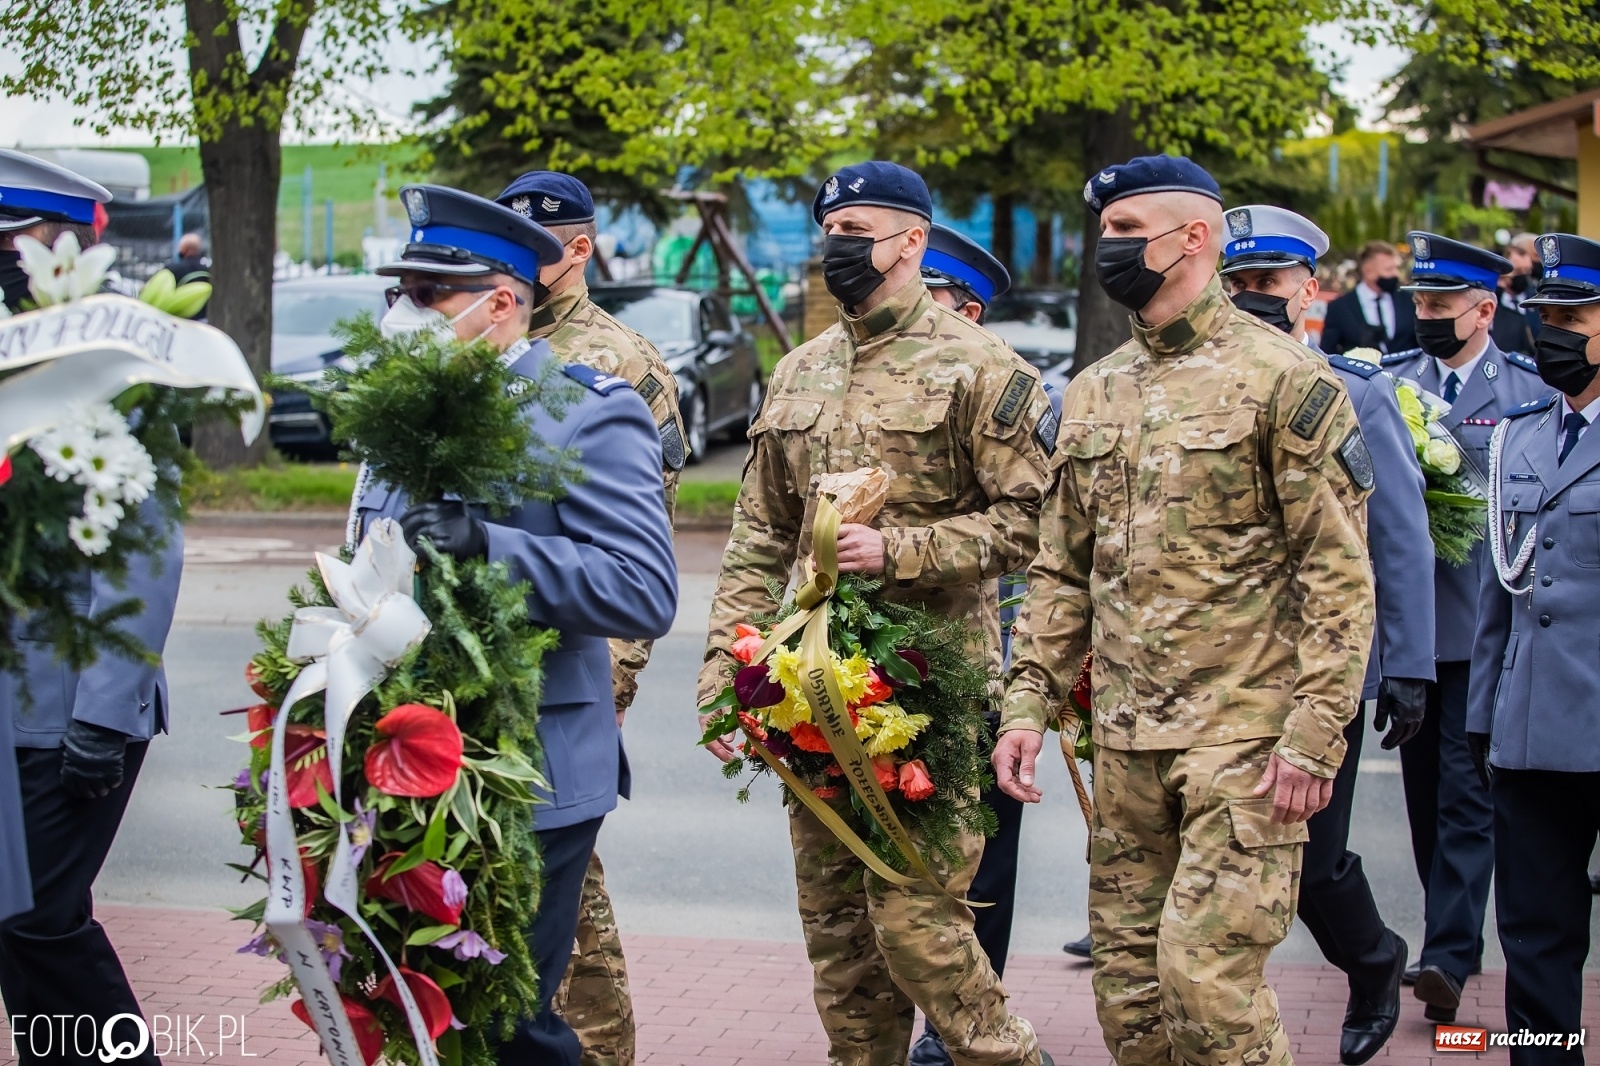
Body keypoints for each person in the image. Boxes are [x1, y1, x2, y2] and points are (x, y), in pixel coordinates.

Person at [995, 155, 1376, 1066]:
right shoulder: (1094, 390)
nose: (1109, 248)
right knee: (1132, 1004)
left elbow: (1340, 578)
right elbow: (1059, 571)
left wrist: (1316, 736)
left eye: (1129, 231)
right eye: (1107, 232)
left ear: (1194, 237)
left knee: (1209, 992)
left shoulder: (1286, 381)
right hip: (1125, 748)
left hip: (1242, 744)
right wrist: (1025, 703)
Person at [699, 162, 1056, 1066]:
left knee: (920, 928)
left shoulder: (982, 369)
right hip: (809, 694)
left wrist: (901, 550)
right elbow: (758, 536)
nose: (839, 244)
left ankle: (1009, 1057)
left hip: (930, 689)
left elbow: (1033, 524)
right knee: (839, 945)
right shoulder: (798, 373)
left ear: (912, 242)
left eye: (860, 227)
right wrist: (722, 669)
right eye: (832, 228)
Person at [353, 184, 678, 1066]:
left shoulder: (589, 410)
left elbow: (643, 591)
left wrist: (490, 547)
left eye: (428, 296)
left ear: (502, 302)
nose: (404, 313)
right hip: (401, 754)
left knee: (507, 1021)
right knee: (416, 1003)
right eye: (401, 293)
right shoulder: (406, 407)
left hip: (529, 768)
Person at [1219, 205, 1433, 1065]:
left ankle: (1374, 959)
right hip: (1220, 667)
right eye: (1238, 285)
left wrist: (1408, 665)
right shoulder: (1202, 386)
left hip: (1319, 671)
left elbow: (1400, 537)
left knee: (1309, 859)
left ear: (1310, 290)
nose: (1250, 299)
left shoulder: (1352, 391)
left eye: (1267, 284)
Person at [494, 170, 686, 1066]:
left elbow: (641, 546)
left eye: (547, 244)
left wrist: (616, 682)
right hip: (483, 675)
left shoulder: (621, 365)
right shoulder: (486, 342)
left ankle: (600, 1052)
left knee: (566, 913)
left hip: (571, 672)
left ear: (581, 248)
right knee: (548, 918)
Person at [0, 149, 181, 1065]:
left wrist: (104, 715)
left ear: (63, 248)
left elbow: (147, 551)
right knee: (18, 926)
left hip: (65, 706)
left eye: (10, 244)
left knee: (39, 921)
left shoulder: (113, 367)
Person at [1379, 231, 1548, 1023]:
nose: (1426, 316)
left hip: (1484, 627)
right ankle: (1450, 940)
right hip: (1413, 634)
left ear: (1485, 310)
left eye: (1442, 304)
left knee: (1465, 799)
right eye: (1419, 302)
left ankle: (1446, 952)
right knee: (1423, 801)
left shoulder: (1523, 391)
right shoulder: (1392, 384)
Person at [907, 222, 1043, 1066]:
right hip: (879, 656)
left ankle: (955, 1024)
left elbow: (1041, 539)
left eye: (932, 294)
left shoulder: (1005, 390)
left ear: (969, 307)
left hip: (983, 659)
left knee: (980, 856)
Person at [1470, 231, 1600, 1066]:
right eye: (1544, 313)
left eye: (1572, 315)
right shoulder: (1517, 436)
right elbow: (1498, 597)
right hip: (1529, 735)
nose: (1551, 331)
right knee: (1534, 933)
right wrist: (1481, 719)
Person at [1321, 239, 1417, 355]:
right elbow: (1327, 354)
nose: (1396, 274)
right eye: (1389, 269)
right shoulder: (1339, 308)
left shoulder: (1409, 301)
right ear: (1368, 271)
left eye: (1397, 268)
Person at [164, 232, 211, 319]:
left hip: (181, 317)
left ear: (185, 249)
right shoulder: (209, 268)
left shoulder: (173, 269)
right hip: (207, 315)